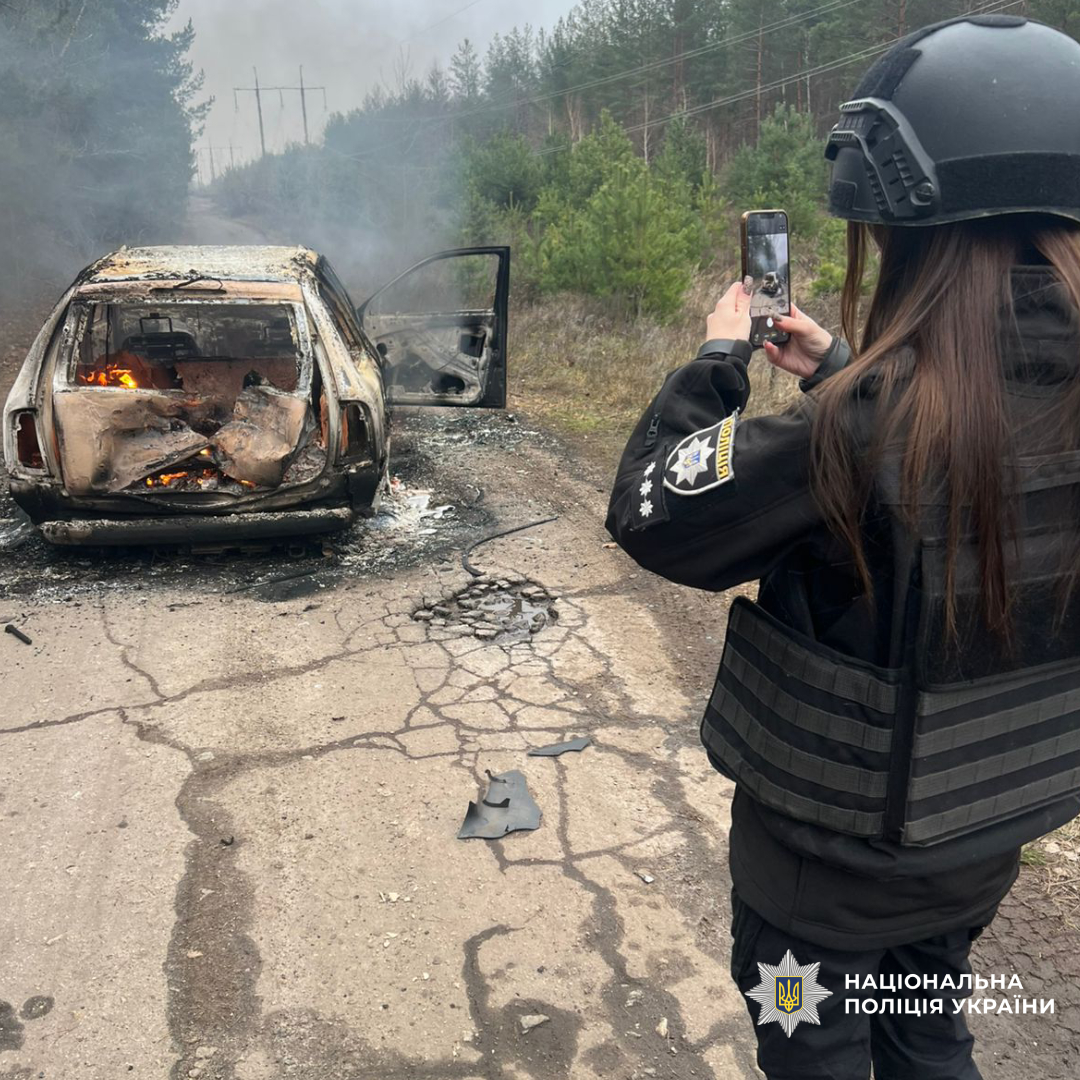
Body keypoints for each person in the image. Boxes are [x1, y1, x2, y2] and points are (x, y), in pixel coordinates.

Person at [606, 15, 1080, 1080]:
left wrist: (718, 359)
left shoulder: (856, 432)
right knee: (926, 1030)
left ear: (904, 230)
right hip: (979, 847)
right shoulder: (895, 413)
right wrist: (840, 369)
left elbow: (650, 512)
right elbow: (966, 467)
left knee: (814, 1048)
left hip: (819, 885)